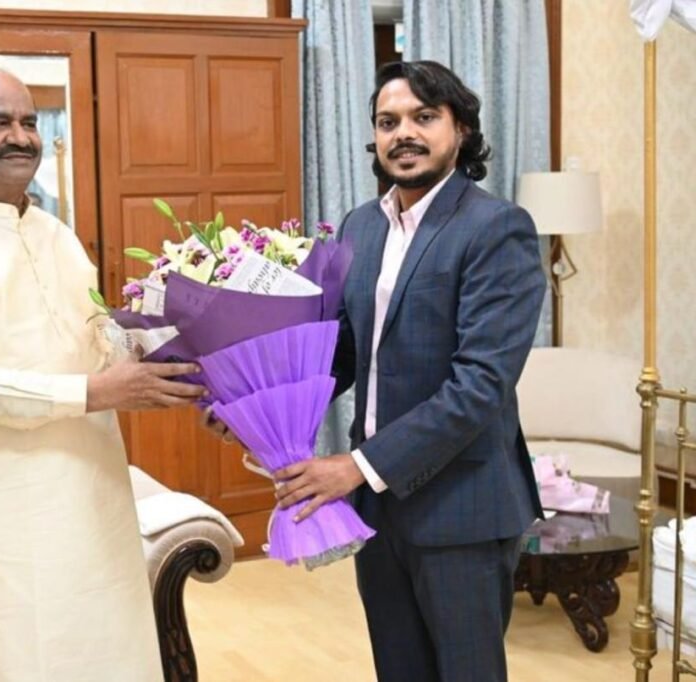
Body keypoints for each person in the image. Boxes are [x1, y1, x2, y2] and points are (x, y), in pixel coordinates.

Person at [210, 60, 546, 681]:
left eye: (424, 117)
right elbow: (340, 351)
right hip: (377, 508)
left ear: (462, 130)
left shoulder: (497, 228)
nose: (404, 134)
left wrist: (355, 466)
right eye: (388, 122)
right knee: (399, 670)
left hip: (461, 508)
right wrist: (251, 404)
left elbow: (479, 387)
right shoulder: (363, 225)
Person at [0, 68, 205, 681]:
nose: (21, 137)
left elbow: (99, 343)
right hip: (3, 516)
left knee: (112, 657)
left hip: (93, 498)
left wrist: (176, 361)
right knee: (21, 661)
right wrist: (96, 392)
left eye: (29, 122)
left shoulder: (57, 233)